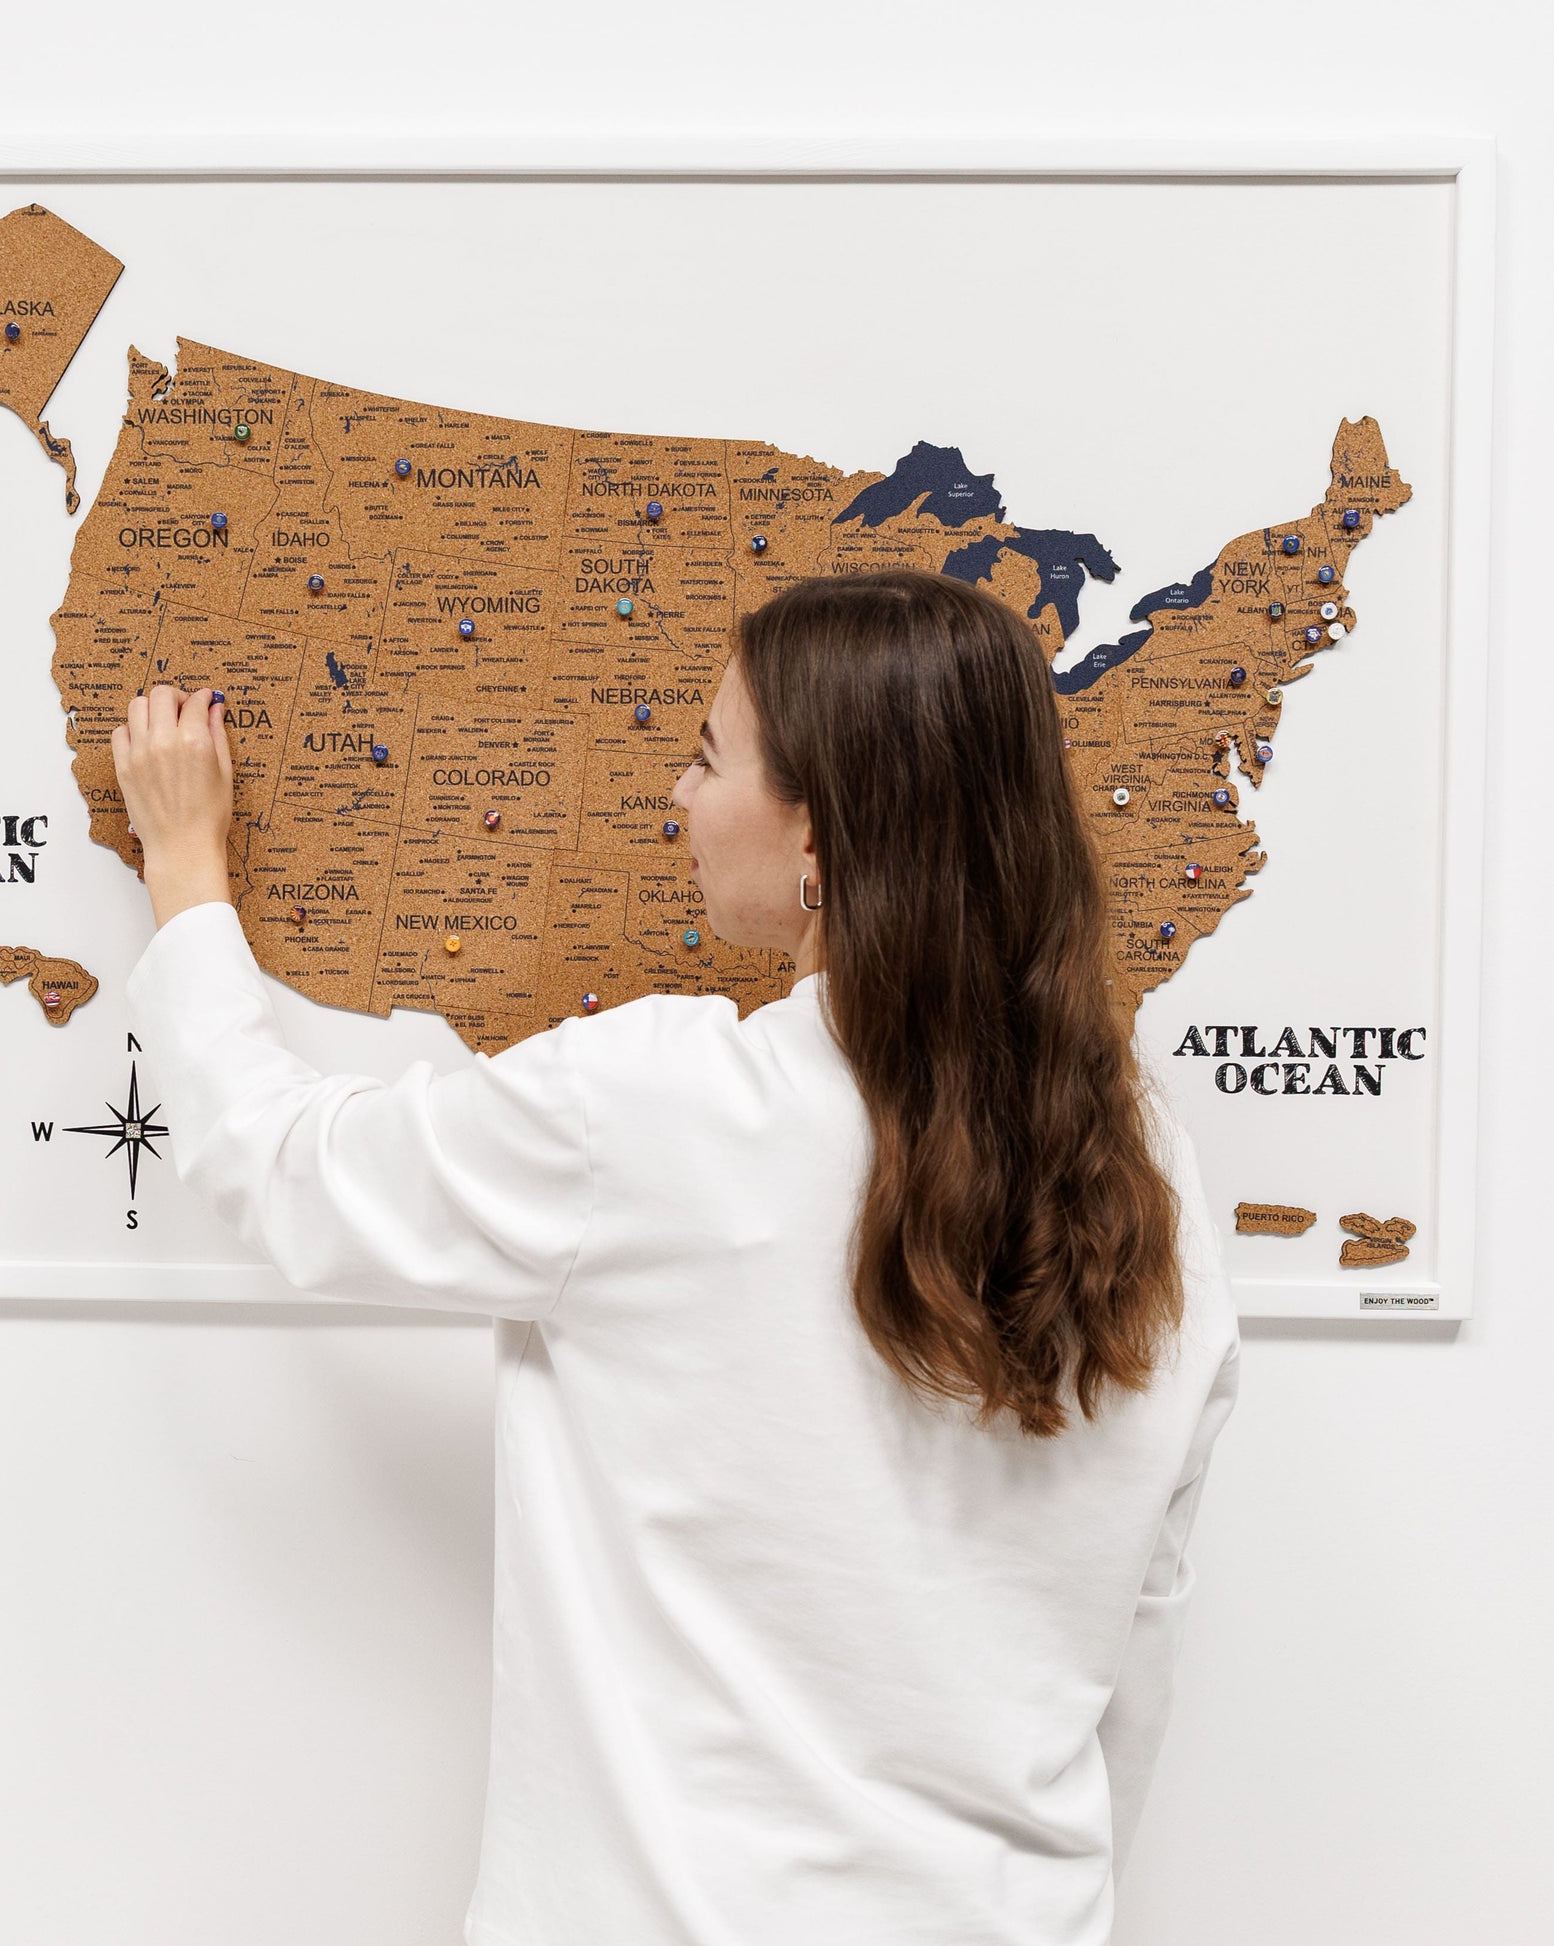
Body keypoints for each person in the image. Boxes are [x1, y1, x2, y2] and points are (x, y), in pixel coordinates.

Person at [114, 567, 1240, 1946]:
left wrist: (183, 863)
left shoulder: (653, 1110)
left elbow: (282, 1166)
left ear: (821, 832)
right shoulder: (1151, 1168)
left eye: (709, 756)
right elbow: (1137, 1655)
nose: (675, 794)